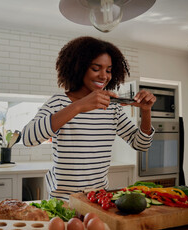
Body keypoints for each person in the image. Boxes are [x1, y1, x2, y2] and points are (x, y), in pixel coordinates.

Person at [22, 36, 156, 201]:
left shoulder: (112, 107)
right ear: (79, 67)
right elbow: (28, 139)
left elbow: (141, 144)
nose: (103, 76)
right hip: (63, 201)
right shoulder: (59, 102)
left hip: (98, 200)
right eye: (96, 68)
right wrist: (78, 106)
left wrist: (146, 112)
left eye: (108, 70)